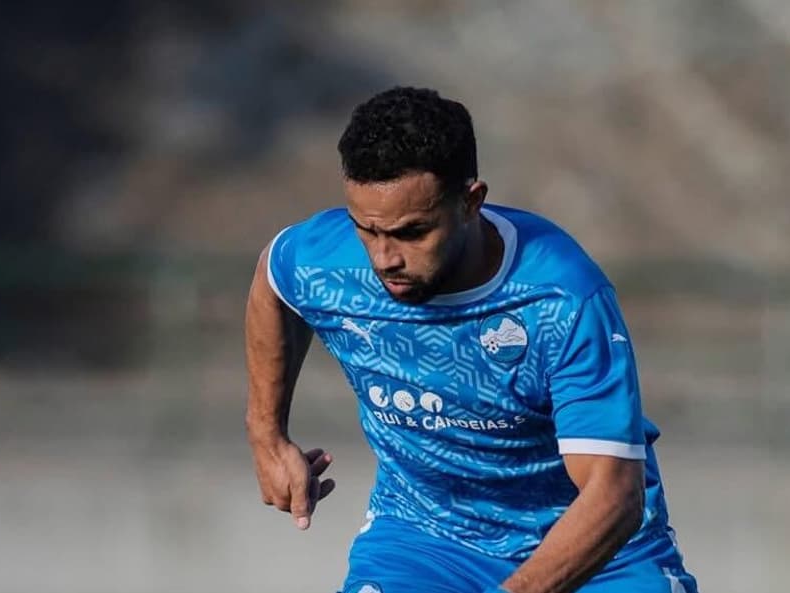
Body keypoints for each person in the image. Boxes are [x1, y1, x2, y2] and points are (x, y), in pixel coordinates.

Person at [245, 86, 698, 593]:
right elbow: (273, 278)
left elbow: (613, 496)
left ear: (470, 203)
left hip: (596, 552)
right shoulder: (328, 262)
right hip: (425, 539)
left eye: (412, 233)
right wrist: (267, 434)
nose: (384, 258)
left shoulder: (559, 297)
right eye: (367, 231)